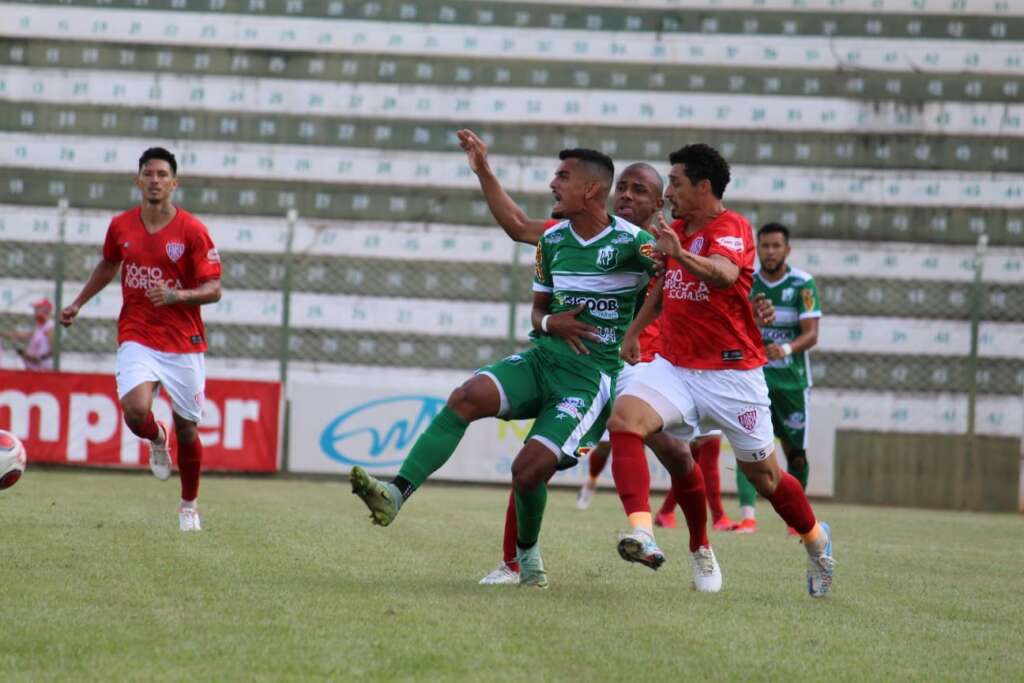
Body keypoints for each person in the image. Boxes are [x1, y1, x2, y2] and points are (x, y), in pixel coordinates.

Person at [349, 146, 660, 589]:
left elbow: (673, 279)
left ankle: (528, 562)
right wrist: (553, 320)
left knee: (527, 469)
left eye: (563, 176)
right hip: (542, 358)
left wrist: (634, 332)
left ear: (591, 189)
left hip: (588, 379)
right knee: (466, 397)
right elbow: (537, 310)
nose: (553, 184)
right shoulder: (552, 241)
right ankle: (396, 494)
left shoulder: (632, 242)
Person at [457, 152, 721, 589]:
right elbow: (520, 226)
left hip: (641, 366)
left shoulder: (663, 245)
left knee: (677, 455)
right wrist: (484, 170)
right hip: (587, 365)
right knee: (534, 461)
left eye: (641, 191)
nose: (628, 196)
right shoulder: (578, 234)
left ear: (659, 205)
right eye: (624, 188)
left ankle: (701, 547)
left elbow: (711, 286)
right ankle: (514, 562)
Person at [608, 143, 835, 597]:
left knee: (766, 479)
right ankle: (642, 531)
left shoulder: (732, 227)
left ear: (703, 186)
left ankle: (816, 542)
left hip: (732, 375)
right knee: (625, 421)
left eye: (674, 182)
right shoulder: (674, 231)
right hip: (674, 366)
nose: (667, 190)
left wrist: (679, 252)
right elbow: (662, 290)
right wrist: (634, 332)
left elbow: (724, 275)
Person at [60, 147, 222, 532]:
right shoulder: (121, 226)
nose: (154, 180)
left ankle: (188, 506)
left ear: (173, 183)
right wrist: (78, 302)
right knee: (134, 411)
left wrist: (177, 296)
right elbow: (109, 263)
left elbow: (214, 288)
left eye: (162, 174)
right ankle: (155, 435)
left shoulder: (193, 231)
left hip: (184, 340)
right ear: (138, 181)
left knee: (188, 430)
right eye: (148, 174)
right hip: (137, 333)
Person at [731, 223, 822, 534]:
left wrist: (783, 348)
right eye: (765, 246)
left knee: (795, 455)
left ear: (787, 249)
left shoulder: (802, 284)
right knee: (748, 448)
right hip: (753, 380)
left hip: (793, 383)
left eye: (775, 246)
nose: (769, 252)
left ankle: (796, 522)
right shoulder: (748, 283)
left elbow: (811, 335)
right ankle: (747, 517)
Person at [0, 298, 56, 370]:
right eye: (35, 309)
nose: (35, 312)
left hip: (44, 369)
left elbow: (53, 350)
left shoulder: (50, 327)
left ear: (46, 310)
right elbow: (21, 336)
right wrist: (2, 333)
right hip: (34, 367)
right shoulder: (40, 327)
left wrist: (38, 358)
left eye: (38, 309)